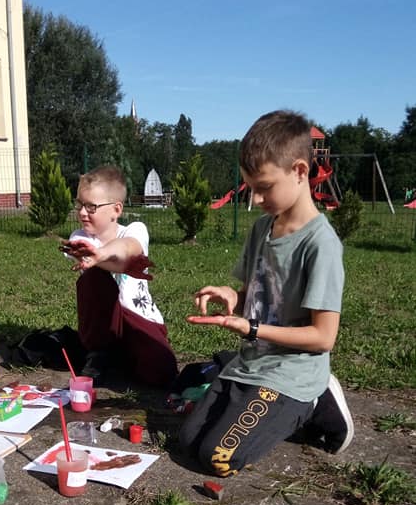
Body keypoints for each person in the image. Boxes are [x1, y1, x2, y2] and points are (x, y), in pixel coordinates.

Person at [179, 109, 354, 477]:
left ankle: (318, 401)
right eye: (250, 188)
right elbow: (255, 295)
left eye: (264, 187)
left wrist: (252, 329)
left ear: (300, 171)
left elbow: (323, 337)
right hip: (251, 363)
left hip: (292, 372)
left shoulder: (320, 244)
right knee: (187, 441)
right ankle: (275, 407)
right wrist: (232, 297)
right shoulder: (262, 229)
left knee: (218, 457)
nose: (256, 199)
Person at [60, 165, 178, 387]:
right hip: (105, 324)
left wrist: (100, 255)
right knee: (94, 276)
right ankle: (98, 352)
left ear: (116, 209)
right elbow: (97, 260)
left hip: (138, 318)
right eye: (79, 204)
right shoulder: (80, 238)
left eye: (91, 206)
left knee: (162, 372)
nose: (82, 212)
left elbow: (127, 251)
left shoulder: (135, 230)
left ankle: (124, 355)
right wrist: (95, 258)